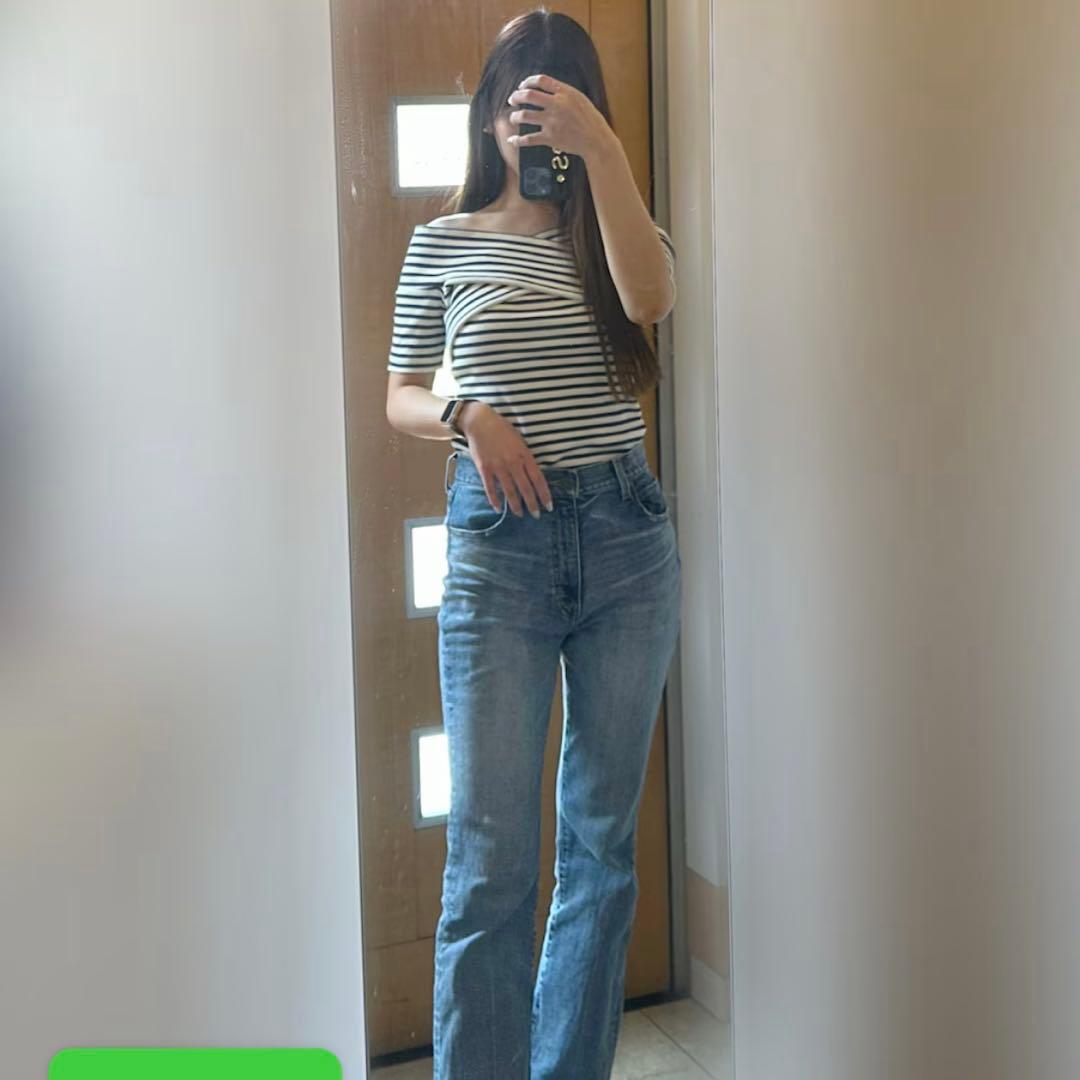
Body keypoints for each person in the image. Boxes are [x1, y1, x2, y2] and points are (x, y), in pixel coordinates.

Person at [384, 9, 681, 1078]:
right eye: (521, 106)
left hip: (625, 539)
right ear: (488, 115)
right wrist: (467, 413)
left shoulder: (615, 234)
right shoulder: (443, 241)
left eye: (562, 107)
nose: (535, 129)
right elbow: (399, 395)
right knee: (490, 858)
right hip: (498, 550)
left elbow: (652, 300)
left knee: (600, 848)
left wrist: (603, 156)